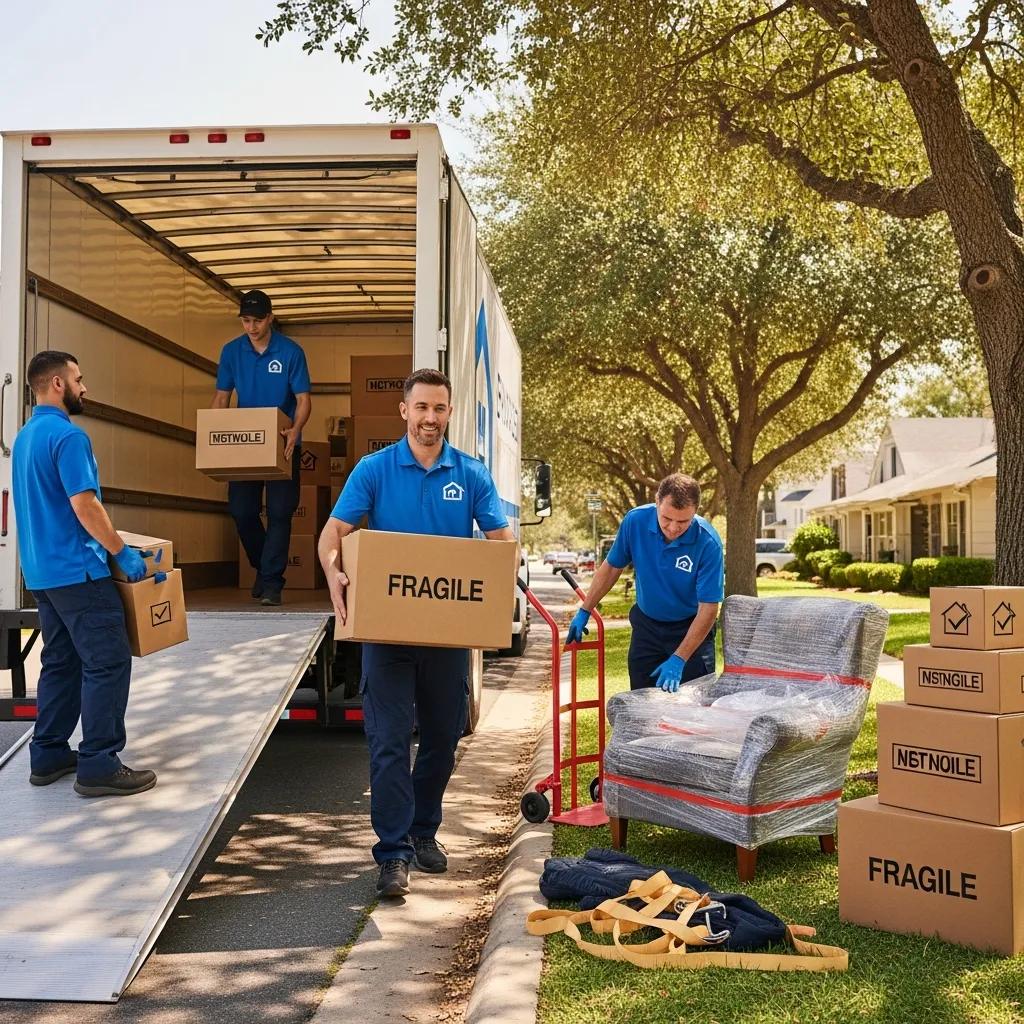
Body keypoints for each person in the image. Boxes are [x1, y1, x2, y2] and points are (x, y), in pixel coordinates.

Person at [318, 368, 516, 900]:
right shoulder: (375, 470)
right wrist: (334, 570)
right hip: (387, 636)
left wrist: (499, 570)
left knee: (442, 741)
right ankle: (393, 854)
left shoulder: (470, 475)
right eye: (421, 407)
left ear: (449, 413)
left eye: (440, 409)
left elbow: (500, 541)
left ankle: (423, 829)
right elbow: (333, 533)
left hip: (448, 639)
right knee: (386, 743)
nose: (430, 418)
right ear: (403, 411)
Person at [12, 351, 157, 797]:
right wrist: (121, 552)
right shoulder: (68, 438)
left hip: (42, 575)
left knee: (61, 662)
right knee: (107, 661)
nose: (84, 387)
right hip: (79, 571)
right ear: (57, 384)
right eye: (79, 378)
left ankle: (49, 751)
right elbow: (85, 505)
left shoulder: (24, 437)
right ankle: (98, 762)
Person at [566, 474, 723, 692]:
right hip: (647, 627)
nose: (674, 528)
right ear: (657, 501)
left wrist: (679, 658)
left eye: (683, 521)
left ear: (695, 511)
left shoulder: (708, 542)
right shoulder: (635, 521)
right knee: (641, 701)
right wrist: (585, 610)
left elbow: (709, 608)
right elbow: (612, 567)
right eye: (667, 518)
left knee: (693, 708)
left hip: (690, 628)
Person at [213, 289, 311, 606]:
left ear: (270, 318)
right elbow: (221, 398)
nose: (251, 327)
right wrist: (217, 435)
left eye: (257, 320)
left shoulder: (291, 352)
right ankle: (262, 567)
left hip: (282, 439)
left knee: (281, 512)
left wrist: (296, 430)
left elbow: (303, 400)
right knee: (242, 511)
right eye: (246, 321)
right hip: (246, 441)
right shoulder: (231, 352)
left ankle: (271, 583)